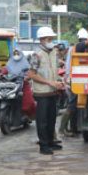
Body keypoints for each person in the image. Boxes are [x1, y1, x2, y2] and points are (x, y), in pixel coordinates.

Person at [28, 27, 65, 155]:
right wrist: (50, 82)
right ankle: (43, 145)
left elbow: (54, 71)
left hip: (53, 91)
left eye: (52, 39)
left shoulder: (54, 53)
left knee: (51, 119)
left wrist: (60, 81)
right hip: (42, 93)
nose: (51, 41)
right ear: (42, 40)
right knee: (42, 120)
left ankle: (50, 142)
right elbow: (32, 74)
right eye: (49, 39)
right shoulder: (36, 55)